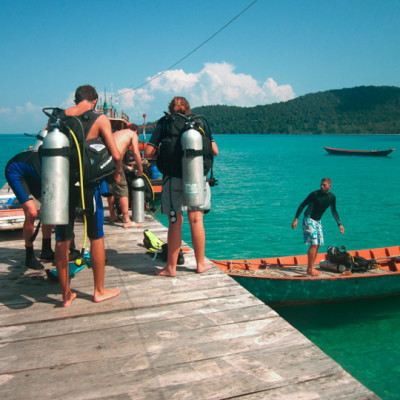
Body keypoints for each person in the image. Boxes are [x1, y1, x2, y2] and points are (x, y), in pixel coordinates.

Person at [52, 84, 122, 306]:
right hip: (88, 186)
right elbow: (116, 154)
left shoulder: (58, 117)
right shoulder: (100, 119)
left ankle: (66, 295)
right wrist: (117, 174)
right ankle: (99, 291)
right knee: (96, 236)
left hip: (61, 186)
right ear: (95, 100)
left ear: (76, 100)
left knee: (63, 238)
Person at [144, 96, 218, 277]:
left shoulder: (164, 123)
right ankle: (200, 264)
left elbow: (148, 152)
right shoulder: (200, 122)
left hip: (173, 180)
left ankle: (171, 268)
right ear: (188, 110)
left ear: (170, 109)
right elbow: (214, 151)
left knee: (175, 222)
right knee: (196, 220)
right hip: (196, 178)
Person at [5, 151, 54, 270]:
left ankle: (46, 250)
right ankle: (29, 255)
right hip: (16, 171)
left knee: (50, 208)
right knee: (32, 212)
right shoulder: (46, 168)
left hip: (33, 174)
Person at [291, 178, 345, 276]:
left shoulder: (332, 197)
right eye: (321, 185)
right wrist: (296, 219)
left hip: (318, 221)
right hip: (309, 219)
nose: (322, 186)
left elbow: (334, 211)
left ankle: (311, 267)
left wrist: (339, 224)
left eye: (324, 185)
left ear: (329, 186)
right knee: (314, 244)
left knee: (318, 244)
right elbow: (303, 205)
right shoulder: (314, 194)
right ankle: (310, 269)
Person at [107, 123, 143, 228]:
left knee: (111, 187)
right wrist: (140, 169)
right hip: (114, 161)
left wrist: (124, 166)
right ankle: (126, 220)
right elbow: (136, 153)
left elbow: (114, 151)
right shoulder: (133, 134)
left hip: (105, 161)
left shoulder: (116, 133)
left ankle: (112, 215)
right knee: (123, 188)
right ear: (136, 131)